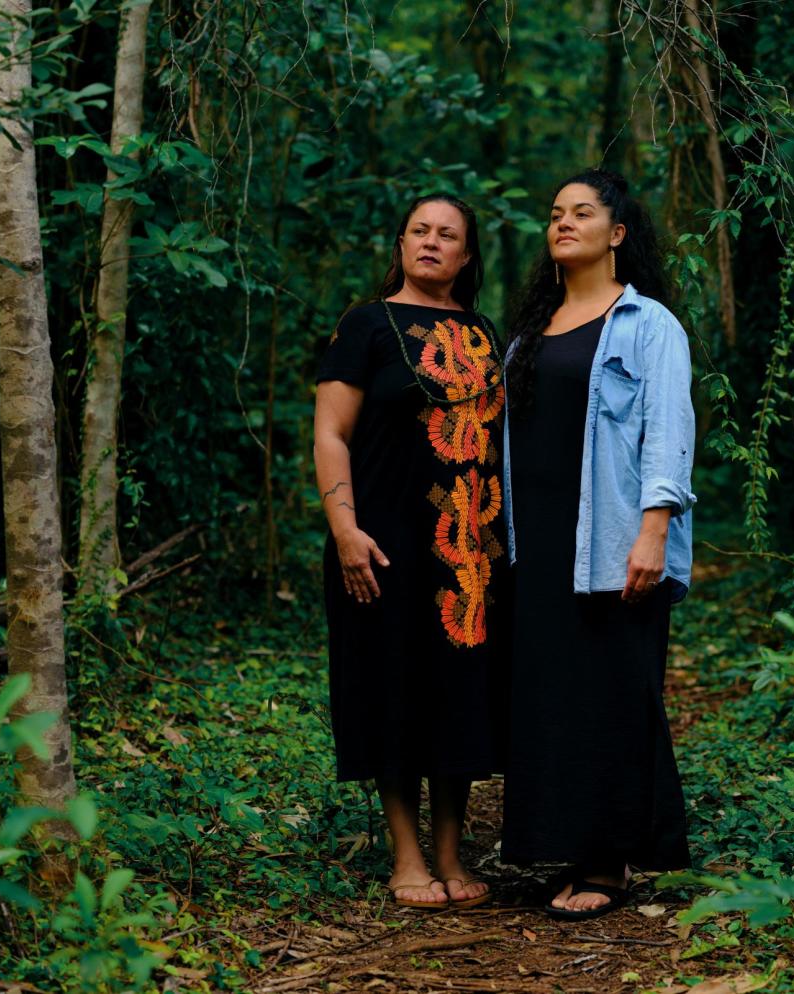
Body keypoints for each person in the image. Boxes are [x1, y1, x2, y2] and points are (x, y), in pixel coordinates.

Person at [501, 169, 694, 920]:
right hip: (539, 541)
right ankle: (562, 844)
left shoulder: (649, 325)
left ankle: (608, 864)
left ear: (618, 234)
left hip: (614, 537)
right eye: (555, 213)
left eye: (582, 213)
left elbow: (669, 434)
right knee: (554, 694)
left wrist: (654, 530)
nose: (564, 223)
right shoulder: (528, 330)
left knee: (616, 689)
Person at [313, 194, 507, 910]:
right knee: (394, 682)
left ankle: (453, 853)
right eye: (419, 231)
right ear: (399, 245)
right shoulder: (365, 326)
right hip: (384, 541)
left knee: (458, 688)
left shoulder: (486, 334)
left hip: (468, 547)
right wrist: (344, 530)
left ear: (465, 254)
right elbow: (331, 433)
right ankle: (406, 854)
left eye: (447, 234)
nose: (431, 242)